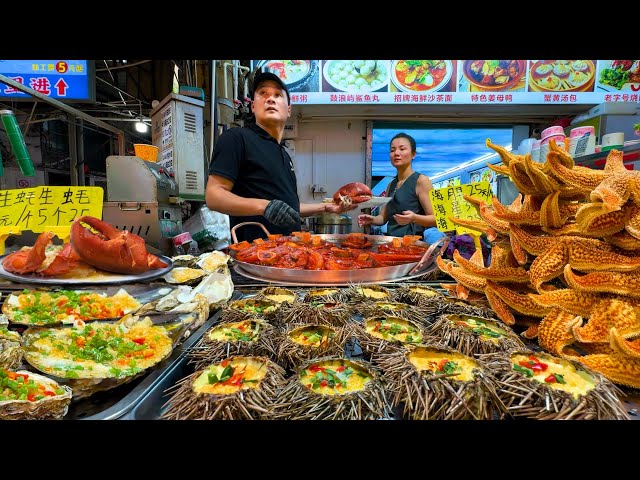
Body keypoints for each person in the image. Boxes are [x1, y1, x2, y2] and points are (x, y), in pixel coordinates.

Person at [206, 70, 354, 243]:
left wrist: (327, 207)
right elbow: (214, 196)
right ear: (253, 106)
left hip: (289, 255)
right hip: (255, 256)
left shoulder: (284, 154)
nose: (270, 98)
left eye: (278, 95)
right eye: (263, 93)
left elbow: (287, 209)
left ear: (289, 110)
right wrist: (265, 207)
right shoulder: (237, 138)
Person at [358, 132, 440, 240]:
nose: (396, 153)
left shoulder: (421, 181)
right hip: (393, 242)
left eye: (402, 149)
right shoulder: (391, 184)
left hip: (413, 244)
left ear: (413, 154)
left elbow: (436, 219)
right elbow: (383, 218)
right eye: (392, 150)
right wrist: (371, 219)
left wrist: (414, 218)